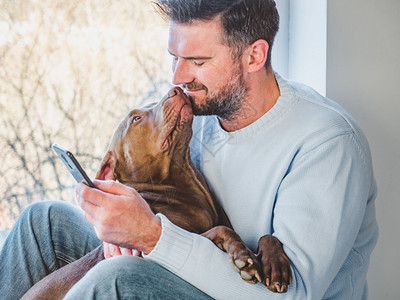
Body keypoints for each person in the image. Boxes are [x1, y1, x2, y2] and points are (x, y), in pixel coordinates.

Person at [0, 0, 379, 299]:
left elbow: (289, 296)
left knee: (120, 279)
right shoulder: (202, 115)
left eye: (197, 61)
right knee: (43, 223)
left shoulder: (326, 145)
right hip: (199, 266)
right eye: (175, 58)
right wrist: (114, 229)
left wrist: (151, 235)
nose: (178, 78)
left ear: (254, 56)